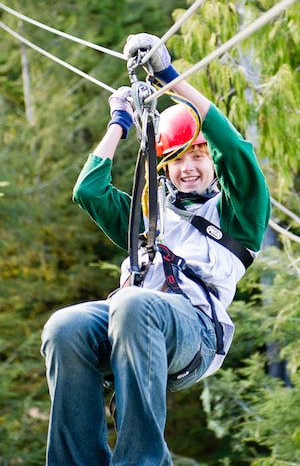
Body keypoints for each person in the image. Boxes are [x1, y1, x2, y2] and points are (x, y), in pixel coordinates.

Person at [41, 33, 270, 466]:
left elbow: (236, 150)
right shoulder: (150, 218)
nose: (187, 169)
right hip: (133, 323)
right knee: (63, 327)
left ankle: (141, 461)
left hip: (196, 333)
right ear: (162, 168)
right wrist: (119, 123)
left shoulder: (238, 212)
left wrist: (168, 76)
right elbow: (88, 191)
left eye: (197, 157)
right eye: (176, 161)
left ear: (211, 162)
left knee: (131, 304)